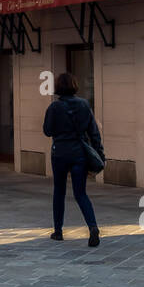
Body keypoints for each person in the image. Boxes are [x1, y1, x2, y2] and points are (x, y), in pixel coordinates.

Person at [43, 72, 103, 247]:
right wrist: (99, 153)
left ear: (58, 87)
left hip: (60, 153)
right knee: (81, 193)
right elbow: (94, 132)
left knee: (59, 191)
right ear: (74, 86)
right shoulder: (84, 105)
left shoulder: (54, 107)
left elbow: (47, 130)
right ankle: (92, 227)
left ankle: (58, 231)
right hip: (79, 154)